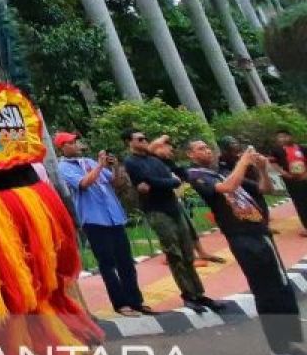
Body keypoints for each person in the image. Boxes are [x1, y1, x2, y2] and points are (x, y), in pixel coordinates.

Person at [186, 140, 307, 355]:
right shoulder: (196, 175)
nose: (207, 151)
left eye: (207, 147)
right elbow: (228, 188)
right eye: (200, 148)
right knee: (266, 291)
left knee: (281, 288)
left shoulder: (222, 172)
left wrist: (261, 168)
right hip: (242, 238)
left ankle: (289, 342)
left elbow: (265, 190)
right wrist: (244, 160)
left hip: (260, 232)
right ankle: (278, 348)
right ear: (190, 154)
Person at [122, 129, 221, 313]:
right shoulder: (131, 162)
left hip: (174, 207)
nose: (145, 141)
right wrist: (171, 182)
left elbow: (177, 173)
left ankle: (198, 293)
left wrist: (168, 180)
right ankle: (188, 295)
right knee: (174, 254)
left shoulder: (155, 159)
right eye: (140, 139)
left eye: (146, 138)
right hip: (157, 211)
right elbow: (147, 182)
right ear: (129, 142)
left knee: (187, 252)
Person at [55, 131, 152, 317]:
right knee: (107, 264)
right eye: (71, 142)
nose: (76, 145)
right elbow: (83, 183)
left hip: (114, 217)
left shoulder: (89, 162)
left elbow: (114, 183)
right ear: (63, 148)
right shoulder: (64, 167)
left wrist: (114, 168)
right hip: (94, 220)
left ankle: (136, 301)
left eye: (76, 141)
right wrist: (99, 165)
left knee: (126, 262)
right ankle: (120, 304)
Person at [149, 135, 225, 266]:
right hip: (159, 205)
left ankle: (201, 253)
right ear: (159, 149)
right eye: (167, 148)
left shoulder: (168, 162)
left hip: (173, 199)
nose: (170, 150)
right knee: (170, 232)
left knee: (189, 227)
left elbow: (182, 175)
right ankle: (178, 258)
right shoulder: (151, 162)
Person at [269, 129, 307, 237]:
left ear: (290, 136)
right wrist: (285, 174)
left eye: (284, 136)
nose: (282, 139)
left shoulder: (302, 148)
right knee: (300, 203)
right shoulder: (276, 151)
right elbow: (274, 164)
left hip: (305, 178)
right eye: (279, 137)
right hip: (292, 181)